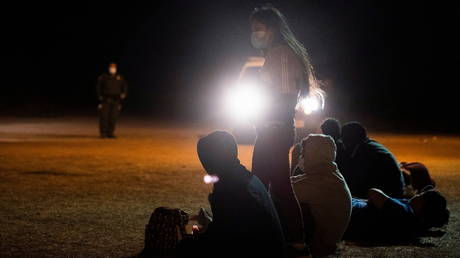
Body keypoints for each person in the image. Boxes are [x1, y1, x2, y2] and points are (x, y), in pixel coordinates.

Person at [249, 4, 324, 245]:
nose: (254, 34)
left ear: (271, 29)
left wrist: (268, 120)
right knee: (259, 183)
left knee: (279, 186)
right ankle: (266, 235)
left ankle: (297, 239)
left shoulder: (281, 55)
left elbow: (284, 97)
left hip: (275, 128)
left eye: (258, 28)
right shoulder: (276, 54)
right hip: (271, 127)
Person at [178, 131, 286, 258]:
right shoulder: (245, 177)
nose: (205, 164)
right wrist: (210, 223)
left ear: (214, 160)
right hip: (272, 249)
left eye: (206, 158)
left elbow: (225, 240)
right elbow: (235, 226)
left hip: (259, 251)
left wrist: (196, 238)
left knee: (183, 247)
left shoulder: (228, 188)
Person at [292, 134, 352, 257]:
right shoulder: (328, 173)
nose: (301, 157)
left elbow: (283, 192)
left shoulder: (323, 181)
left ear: (314, 154)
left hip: (320, 244)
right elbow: (294, 181)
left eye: (304, 153)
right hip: (322, 237)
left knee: (284, 205)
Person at [344, 187, 450, 241]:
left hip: (344, 213)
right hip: (347, 211)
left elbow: (374, 192)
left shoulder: (404, 211)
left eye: (421, 195)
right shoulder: (411, 222)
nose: (417, 195)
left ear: (422, 204)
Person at [341, 122, 405, 198]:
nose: (343, 145)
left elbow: (357, 184)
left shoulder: (365, 153)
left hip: (389, 199)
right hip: (393, 194)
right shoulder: (370, 146)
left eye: (344, 140)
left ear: (351, 140)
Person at [96, 62, 128, 138]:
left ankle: (110, 133)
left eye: (114, 67)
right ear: (108, 68)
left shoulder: (119, 77)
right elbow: (98, 87)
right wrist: (99, 96)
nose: (112, 69)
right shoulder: (104, 77)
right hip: (106, 100)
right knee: (104, 117)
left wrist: (124, 94)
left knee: (113, 117)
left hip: (116, 100)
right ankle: (103, 133)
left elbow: (124, 86)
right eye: (111, 67)